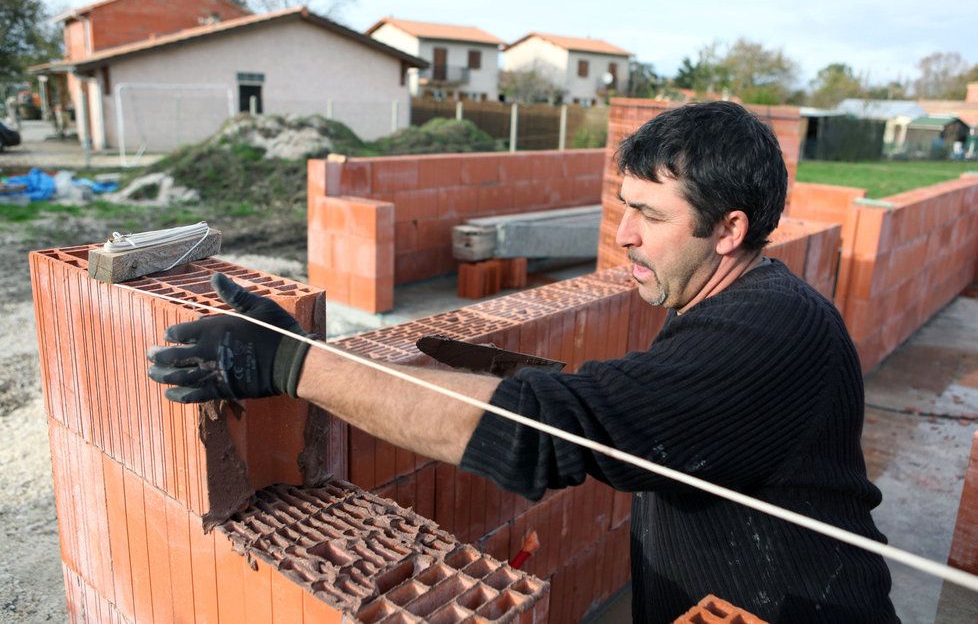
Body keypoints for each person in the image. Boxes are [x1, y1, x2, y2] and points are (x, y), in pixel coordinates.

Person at [147, 102, 897, 622]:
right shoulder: (732, 303)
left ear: (728, 229)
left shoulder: (762, 334)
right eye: (624, 206)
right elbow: (624, 409)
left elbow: (542, 434)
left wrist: (293, 365)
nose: (625, 235)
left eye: (652, 216)